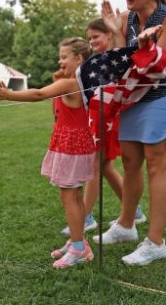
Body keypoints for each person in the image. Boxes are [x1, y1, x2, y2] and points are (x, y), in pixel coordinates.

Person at [93, 0, 166, 266]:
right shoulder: (127, 19)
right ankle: (125, 226)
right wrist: (115, 32)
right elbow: (123, 60)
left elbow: (156, 68)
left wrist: (139, 49)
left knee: (155, 165)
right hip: (134, 96)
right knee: (130, 161)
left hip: (163, 93)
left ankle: (156, 242)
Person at [0, 37, 102, 269]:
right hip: (78, 144)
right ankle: (78, 240)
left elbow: (39, 95)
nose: (59, 61)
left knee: (69, 195)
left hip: (71, 145)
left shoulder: (71, 83)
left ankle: (79, 248)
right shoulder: (78, 83)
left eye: (64, 57)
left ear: (79, 58)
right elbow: (57, 109)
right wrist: (58, 77)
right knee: (75, 195)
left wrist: (8, 95)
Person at [59, 18, 147, 236]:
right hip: (100, 117)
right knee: (104, 166)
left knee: (96, 165)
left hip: (109, 117)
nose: (92, 42)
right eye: (90, 38)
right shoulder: (97, 61)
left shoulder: (113, 59)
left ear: (109, 35)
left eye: (96, 37)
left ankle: (86, 217)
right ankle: (134, 211)